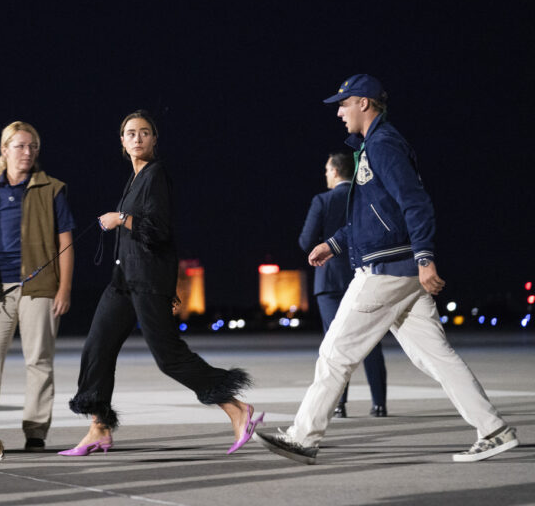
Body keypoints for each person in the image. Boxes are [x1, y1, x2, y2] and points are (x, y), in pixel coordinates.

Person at [254, 74, 519, 464]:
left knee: (335, 353)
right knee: (436, 357)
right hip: (399, 268)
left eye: (343, 104)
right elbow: (373, 216)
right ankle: (494, 430)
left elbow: (416, 203)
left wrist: (425, 257)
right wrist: (335, 243)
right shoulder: (372, 147)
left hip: (387, 270)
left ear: (364, 103)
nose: (339, 112)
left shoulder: (383, 145)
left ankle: (303, 437)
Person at [60, 110, 259, 456]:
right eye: (130, 133)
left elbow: (158, 231)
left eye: (144, 133)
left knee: (169, 357)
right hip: (123, 280)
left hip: (148, 280)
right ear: (122, 142)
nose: (137, 138)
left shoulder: (156, 175)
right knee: (97, 348)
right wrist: (122, 218)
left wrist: (120, 218)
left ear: (154, 140)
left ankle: (236, 408)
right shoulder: (135, 179)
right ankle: (99, 428)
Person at [0, 121, 75, 454]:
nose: (27, 152)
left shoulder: (52, 189)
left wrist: (64, 288)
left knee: (39, 360)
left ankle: (36, 431)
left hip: (40, 286)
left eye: (33, 146)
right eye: (20, 146)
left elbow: (66, 243)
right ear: (4, 149)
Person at [298, 152, 387, 418]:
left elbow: (306, 242)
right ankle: (379, 403)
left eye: (327, 169)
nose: (325, 174)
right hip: (363, 274)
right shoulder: (363, 196)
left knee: (335, 342)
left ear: (336, 171)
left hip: (329, 281)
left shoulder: (322, 201)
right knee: (370, 339)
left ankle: (339, 404)